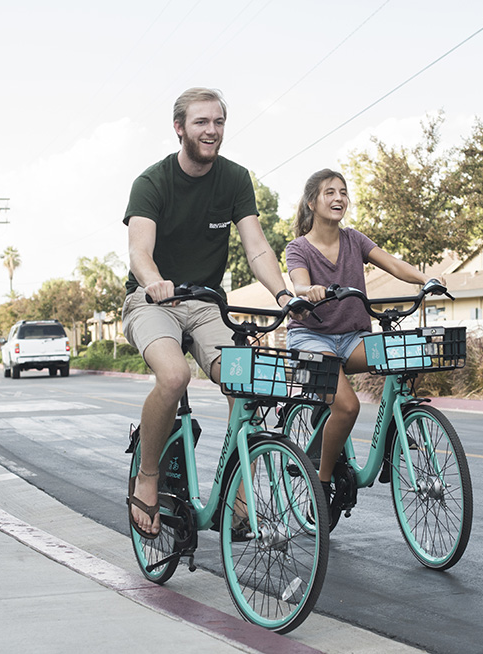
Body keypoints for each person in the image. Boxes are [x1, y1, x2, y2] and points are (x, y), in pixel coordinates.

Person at [123, 87, 293, 539]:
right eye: (201, 122)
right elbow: (140, 251)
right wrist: (154, 281)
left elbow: (256, 248)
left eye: (218, 121)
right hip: (152, 300)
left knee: (246, 383)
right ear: (179, 128)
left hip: (205, 304)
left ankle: (237, 501)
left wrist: (282, 294)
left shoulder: (235, 179)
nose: (211, 130)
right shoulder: (152, 182)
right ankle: (149, 475)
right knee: (174, 376)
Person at [285, 168, 442, 503]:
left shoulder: (354, 239)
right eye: (330, 192)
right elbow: (297, 281)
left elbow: (393, 263)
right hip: (311, 338)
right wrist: (307, 289)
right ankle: (322, 485)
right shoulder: (298, 248)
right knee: (347, 407)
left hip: (352, 337)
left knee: (402, 355)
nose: (339, 197)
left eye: (343, 191)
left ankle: (393, 432)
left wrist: (426, 279)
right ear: (312, 202)